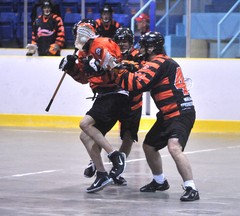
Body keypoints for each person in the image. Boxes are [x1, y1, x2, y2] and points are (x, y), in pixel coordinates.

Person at [91, 31, 200, 201]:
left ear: (151, 48)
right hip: (168, 113)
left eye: (143, 46)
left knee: (174, 147)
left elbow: (136, 84)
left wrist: (115, 69)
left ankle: (191, 187)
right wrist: (127, 67)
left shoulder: (157, 63)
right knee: (149, 146)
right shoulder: (163, 61)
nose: (140, 49)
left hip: (179, 113)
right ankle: (159, 181)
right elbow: (142, 72)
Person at [59, 20, 128, 193]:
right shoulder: (83, 53)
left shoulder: (102, 44)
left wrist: (99, 67)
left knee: (85, 124)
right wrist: (71, 69)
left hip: (115, 92)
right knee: (84, 137)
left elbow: (116, 67)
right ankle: (101, 174)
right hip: (103, 95)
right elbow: (84, 79)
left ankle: (114, 155)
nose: (77, 36)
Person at [83, 27, 143, 186]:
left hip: (133, 103)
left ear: (131, 42)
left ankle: (118, 169)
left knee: (128, 137)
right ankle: (95, 162)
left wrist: (127, 65)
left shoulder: (138, 55)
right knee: (98, 131)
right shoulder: (109, 51)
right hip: (115, 98)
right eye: (120, 41)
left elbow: (141, 68)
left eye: (126, 41)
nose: (122, 44)